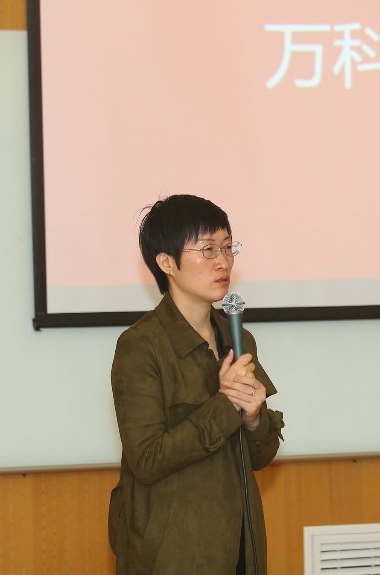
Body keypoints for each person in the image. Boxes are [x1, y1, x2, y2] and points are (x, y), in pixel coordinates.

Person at [108, 194, 284, 575]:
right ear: (166, 262)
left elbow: (261, 456)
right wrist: (224, 405)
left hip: (240, 544)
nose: (223, 262)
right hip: (174, 552)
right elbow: (147, 459)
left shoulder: (238, 339)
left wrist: (254, 419)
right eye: (207, 249)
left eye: (227, 247)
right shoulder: (141, 347)